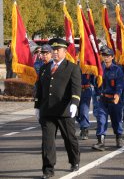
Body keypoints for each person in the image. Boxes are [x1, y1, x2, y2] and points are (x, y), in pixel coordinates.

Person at [34, 38, 81, 178]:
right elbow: (40, 88)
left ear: (65, 52)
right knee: (47, 141)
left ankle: (74, 160)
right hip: (47, 111)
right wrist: (37, 106)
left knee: (69, 139)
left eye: (57, 50)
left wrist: (74, 103)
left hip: (64, 110)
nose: (54, 52)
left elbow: (76, 88)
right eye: (53, 50)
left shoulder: (72, 67)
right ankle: (48, 169)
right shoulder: (44, 68)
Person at [92, 47, 124, 151]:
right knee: (101, 120)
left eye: (108, 56)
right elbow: (95, 83)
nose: (105, 58)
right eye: (104, 55)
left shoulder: (117, 70)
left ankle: (118, 137)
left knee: (116, 120)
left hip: (114, 100)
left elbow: (120, 84)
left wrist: (117, 95)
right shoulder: (99, 69)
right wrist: (98, 94)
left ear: (112, 57)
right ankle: (100, 142)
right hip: (103, 99)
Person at [77, 73, 95, 140]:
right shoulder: (72, 63)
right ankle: (83, 125)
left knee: (84, 110)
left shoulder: (88, 65)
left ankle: (84, 129)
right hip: (75, 90)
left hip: (86, 90)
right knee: (76, 113)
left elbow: (94, 79)